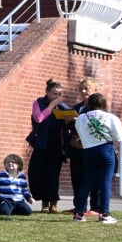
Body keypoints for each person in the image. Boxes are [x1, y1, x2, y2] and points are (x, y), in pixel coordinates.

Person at [72, 91, 122, 223]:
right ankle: (104, 214)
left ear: (89, 103)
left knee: (86, 182)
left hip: (88, 151)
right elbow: (120, 137)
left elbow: (79, 132)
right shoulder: (111, 117)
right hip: (106, 149)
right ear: (104, 104)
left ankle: (79, 213)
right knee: (105, 182)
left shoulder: (81, 118)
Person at [29, 79, 76, 212]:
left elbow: (72, 120)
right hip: (41, 144)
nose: (57, 97)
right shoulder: (39, 103)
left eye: (60, 94)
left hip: (56, 145)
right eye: (54, 93)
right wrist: (51, 107)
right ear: (47, 92)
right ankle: (44, 202)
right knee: (38, 173)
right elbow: (38, 118)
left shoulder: (62, 106)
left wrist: (69, 120)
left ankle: (53, 202)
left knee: (53, 174)